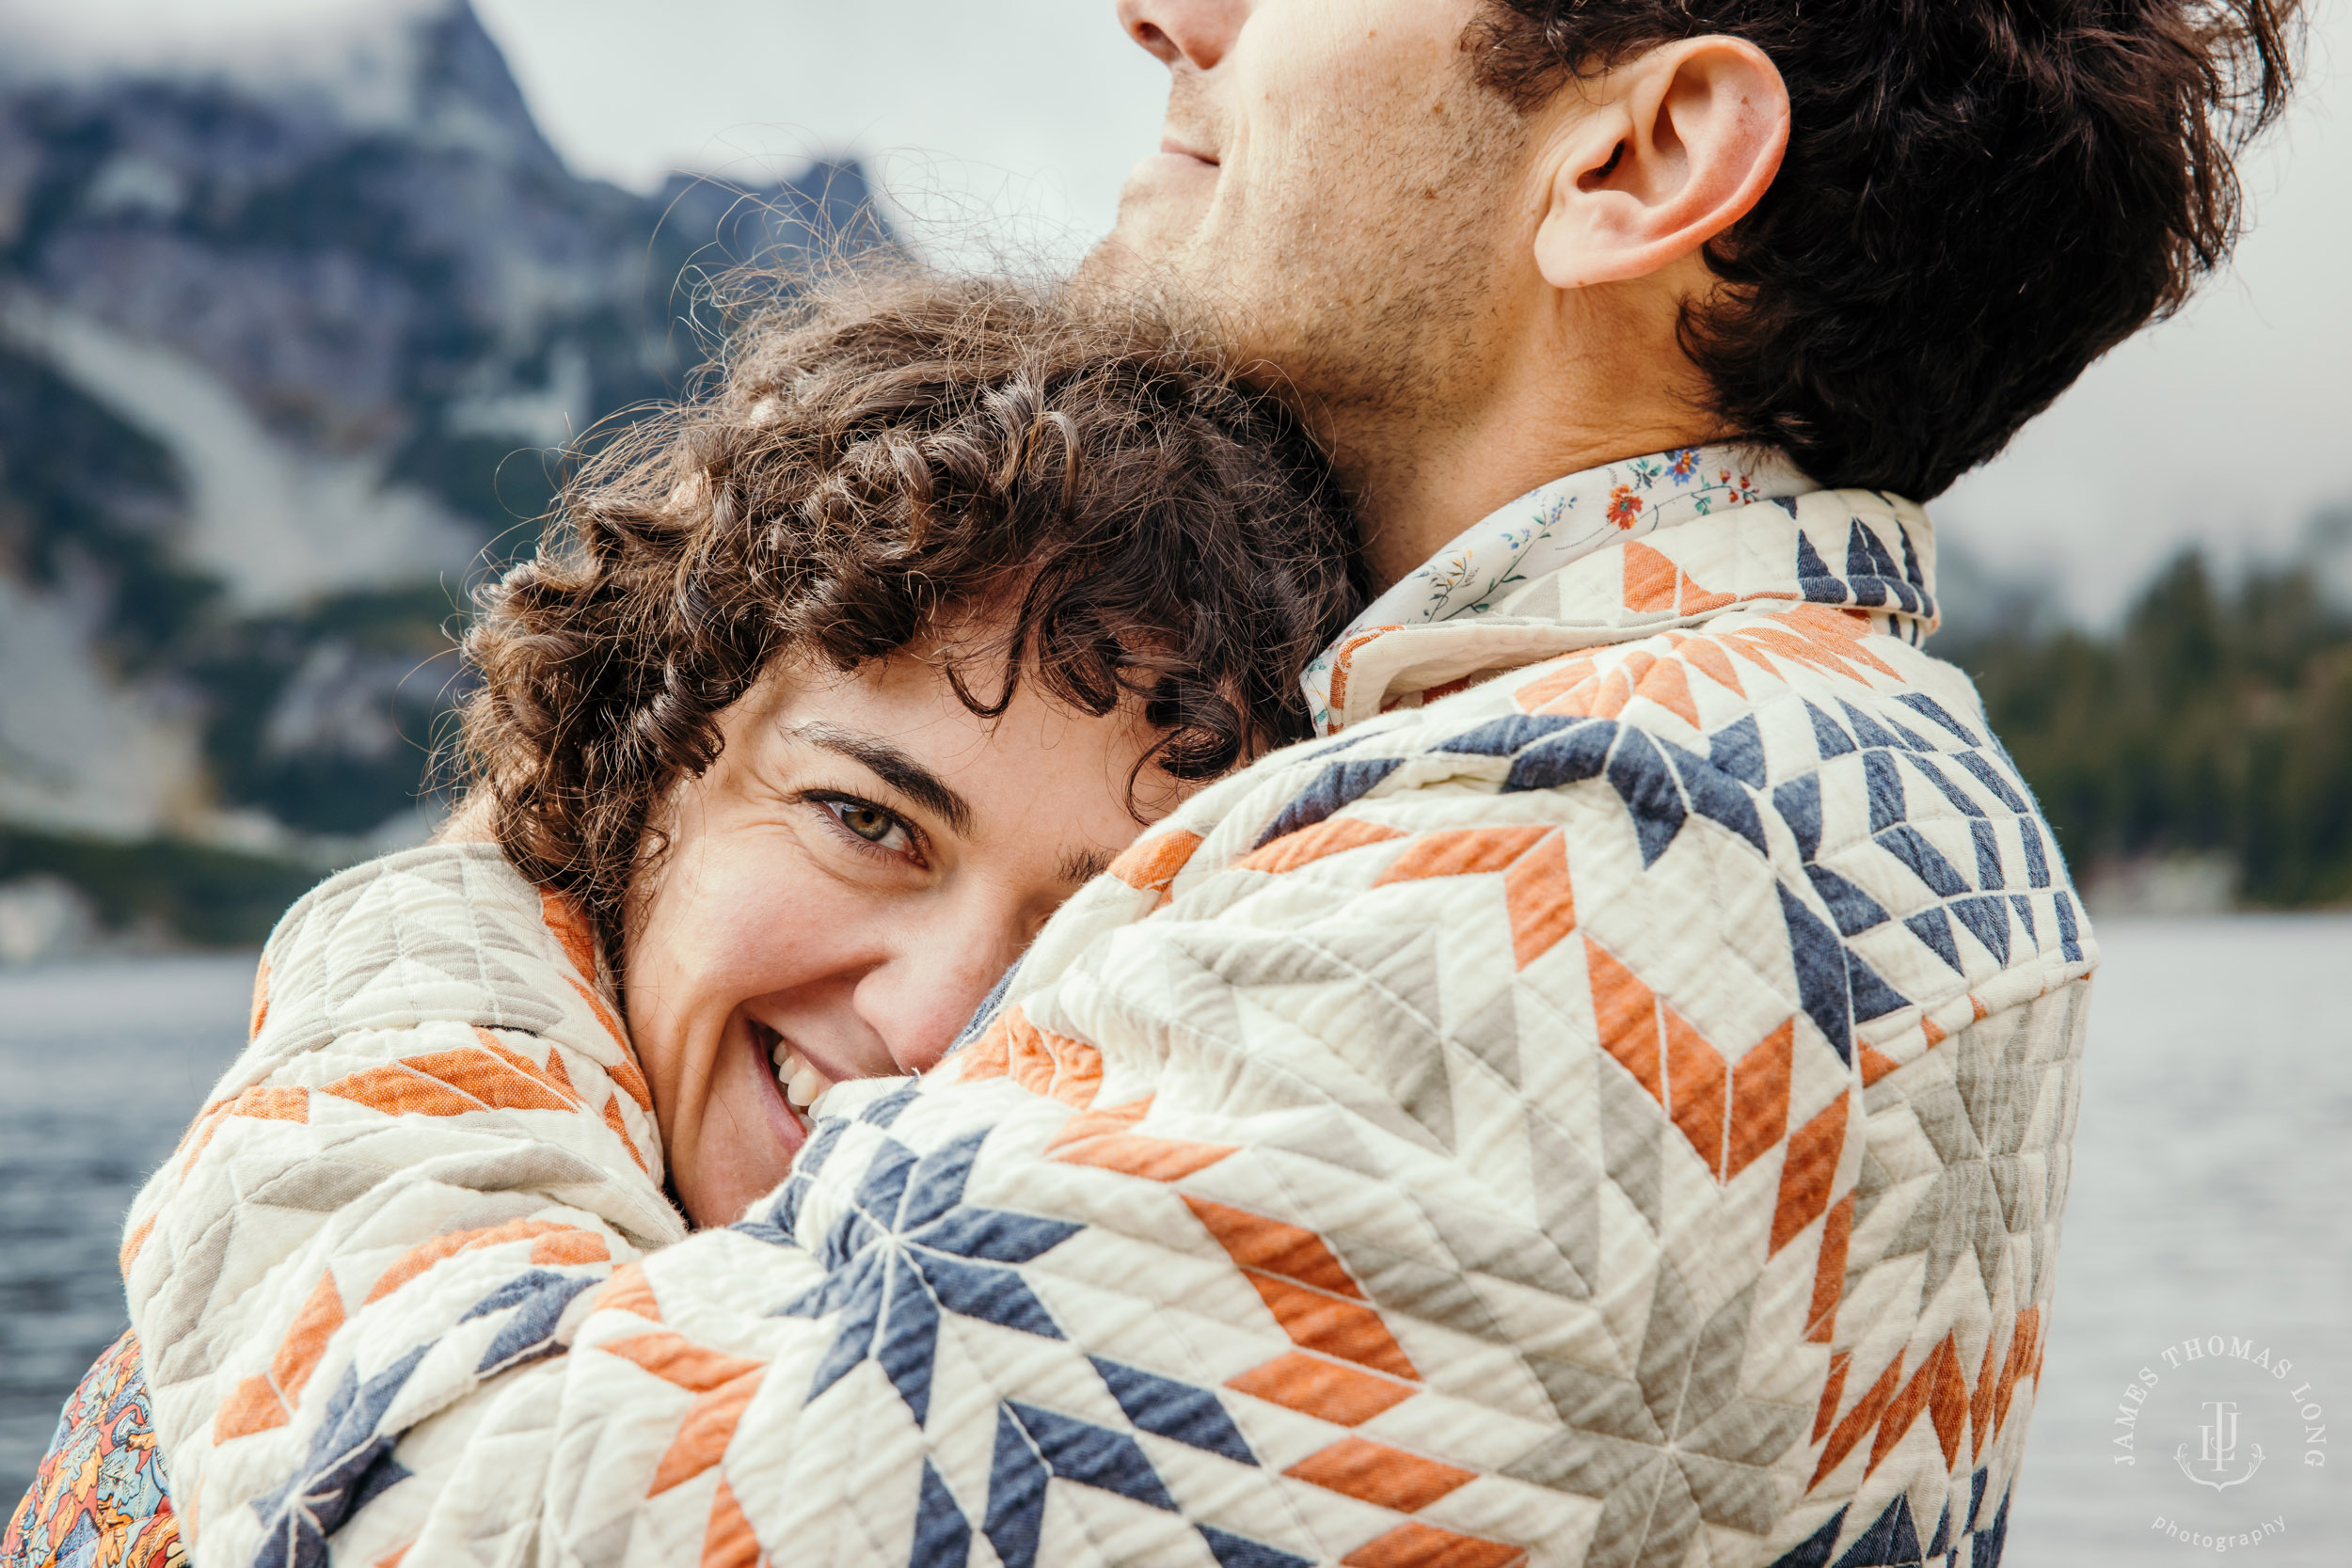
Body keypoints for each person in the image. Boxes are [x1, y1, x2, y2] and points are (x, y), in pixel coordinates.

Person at [57, 2, 2312, 1564]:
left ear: (1634, 158)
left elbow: (464, 1525)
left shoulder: (1607, 860)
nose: (1168, 23)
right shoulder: (1663, 765)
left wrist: (465, 897)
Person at [1, 274, 1361, 1567]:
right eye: (868, 821)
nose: (936, 1020)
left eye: (1094, 925)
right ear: (633, 773)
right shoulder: (202, 1397)